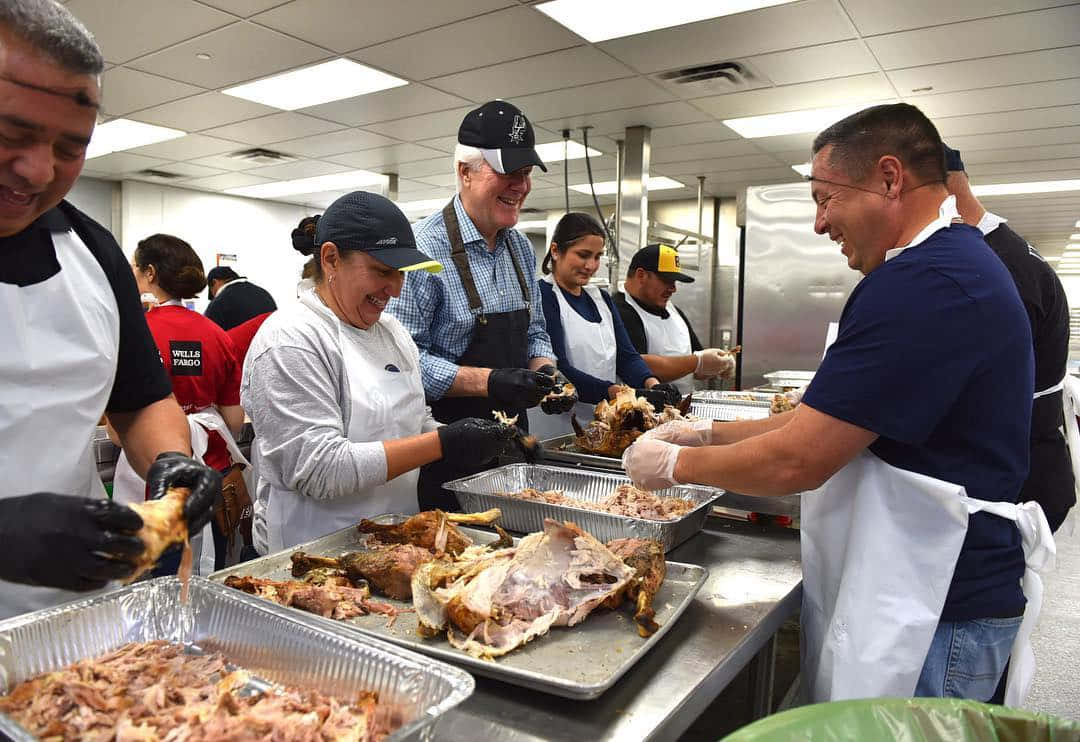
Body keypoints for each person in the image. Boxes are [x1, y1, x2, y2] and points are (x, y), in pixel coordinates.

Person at [624, 103, 1052, 706]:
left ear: (888, 178)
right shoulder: (945, 266)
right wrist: (707, 435)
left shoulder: (926, 285)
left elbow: (799, 459)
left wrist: (672, 469)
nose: (821, 224)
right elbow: (819, 418)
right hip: (922, 581)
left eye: (826, 198)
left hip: (936, 605)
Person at [0, 0, 219, 618]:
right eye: (11, 133)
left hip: (68, 624)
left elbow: (142, 399)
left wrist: (171, 460)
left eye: (70, 148)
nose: (38, 169)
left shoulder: (92, 254)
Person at [241, 191, 522, 553]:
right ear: (331, 260)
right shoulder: (291, 341)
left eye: (401, 273)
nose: (397, 288)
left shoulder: (392, 333)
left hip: (393, 545)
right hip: (311, 554)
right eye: (382, 271)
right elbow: (319, 469)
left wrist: (483, 440)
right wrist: (442, 443)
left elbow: (414, 420)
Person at [388, 100, 576, 510]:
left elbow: (535, 332)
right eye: (507, 172)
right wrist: (489, 382)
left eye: (525, 174)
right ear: (465, 172)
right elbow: (401, 362)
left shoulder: (522, 249)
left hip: (512, 448)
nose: (521, 186)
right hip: (443, 453)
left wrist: (547, 374)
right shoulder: (421, 249)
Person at [944, 145, 1075, 533]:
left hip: (1017, 485)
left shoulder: (995, 267)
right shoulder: (1005, 250)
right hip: (1025, 466)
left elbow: (962, 387)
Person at [114, 233, 247, 572]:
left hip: (152, 476)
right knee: (209, 575)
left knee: (155, 585)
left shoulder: (135, 332)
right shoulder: (217, 334)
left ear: (151, 273)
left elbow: (118, 433)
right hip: (212, 473)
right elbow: (233, 420)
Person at [531, 212, 682, 439]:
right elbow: (559, 367)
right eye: (583, 255)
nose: (591, 265)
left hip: (601, 422)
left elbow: (626, 355)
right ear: (555, 250)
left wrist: (652, 384)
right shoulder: (543, 296)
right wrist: (621, 394)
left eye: (597, 256)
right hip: (556, 427)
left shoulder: (601, 299)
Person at [614, 243, 735, 393]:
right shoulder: (619, 310)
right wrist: (697, 362)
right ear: (641, 275)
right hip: (645, 411)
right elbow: (637, 364)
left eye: (674, 282)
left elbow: (695, 368)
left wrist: (717, 365)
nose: (673, 289)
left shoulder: (673, 310)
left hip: (681, 410)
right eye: (667, 280)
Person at [205, 265, 277, 331]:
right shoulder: (264, 294)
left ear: (215, 282)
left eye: (212, 291)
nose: (214, 295)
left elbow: (208, 336)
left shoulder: (219, 302)